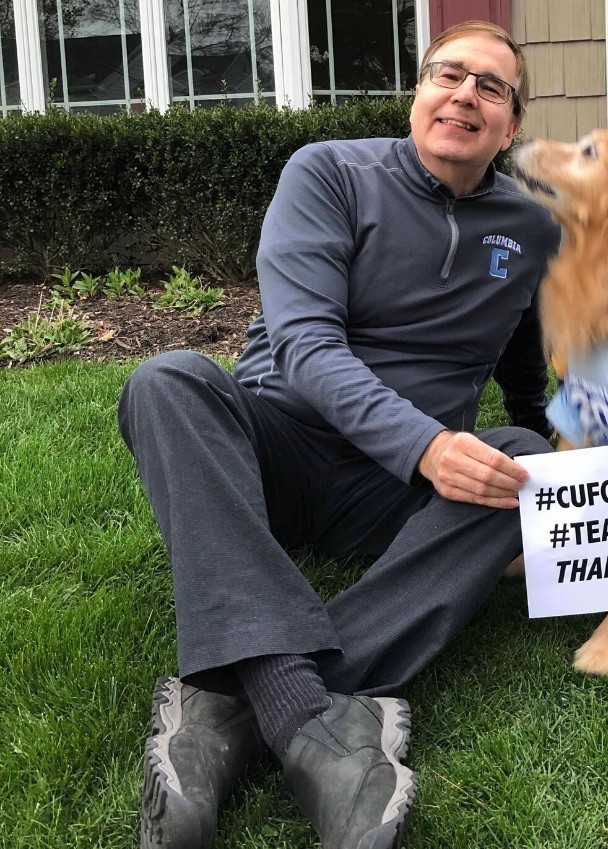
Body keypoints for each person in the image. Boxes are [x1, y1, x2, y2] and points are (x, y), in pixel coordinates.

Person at [119, 19, 561, 849]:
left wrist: (553, 464)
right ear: (417, 94)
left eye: (490, 87)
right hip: (277, 449)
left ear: (510, 125)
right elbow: (306, 345)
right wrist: (426, 444)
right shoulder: (327, 171)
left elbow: (524, 360)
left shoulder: (532, 229)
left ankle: (236, 708)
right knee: (167, 380)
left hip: (391, 496)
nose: (464, 93)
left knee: (526, 466)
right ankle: (311, 717)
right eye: (446, 74)